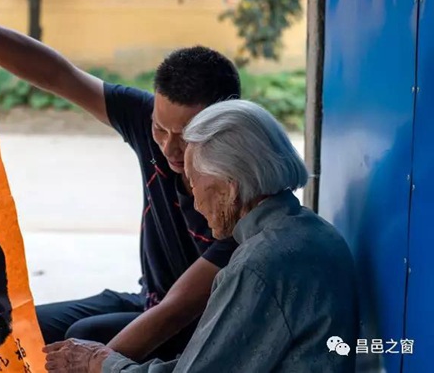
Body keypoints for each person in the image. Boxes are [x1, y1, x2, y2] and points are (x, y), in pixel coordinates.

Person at [0, 0, 242, 361]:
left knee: (84, 338)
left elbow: (179, 310)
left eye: (187, 137)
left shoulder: (246, 193)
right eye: (160, 129)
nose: (169, 149)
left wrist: (90, 363)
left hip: (207, 328)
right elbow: (57, 74)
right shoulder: (148, 121)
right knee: (16, 329)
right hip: (149, 300)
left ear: (229, 127)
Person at [43, 100, 359, 373]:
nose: (195, 203)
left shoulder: (260, 263)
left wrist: (101, 362)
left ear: (229, 187)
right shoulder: (312, 231)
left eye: (194, 184)